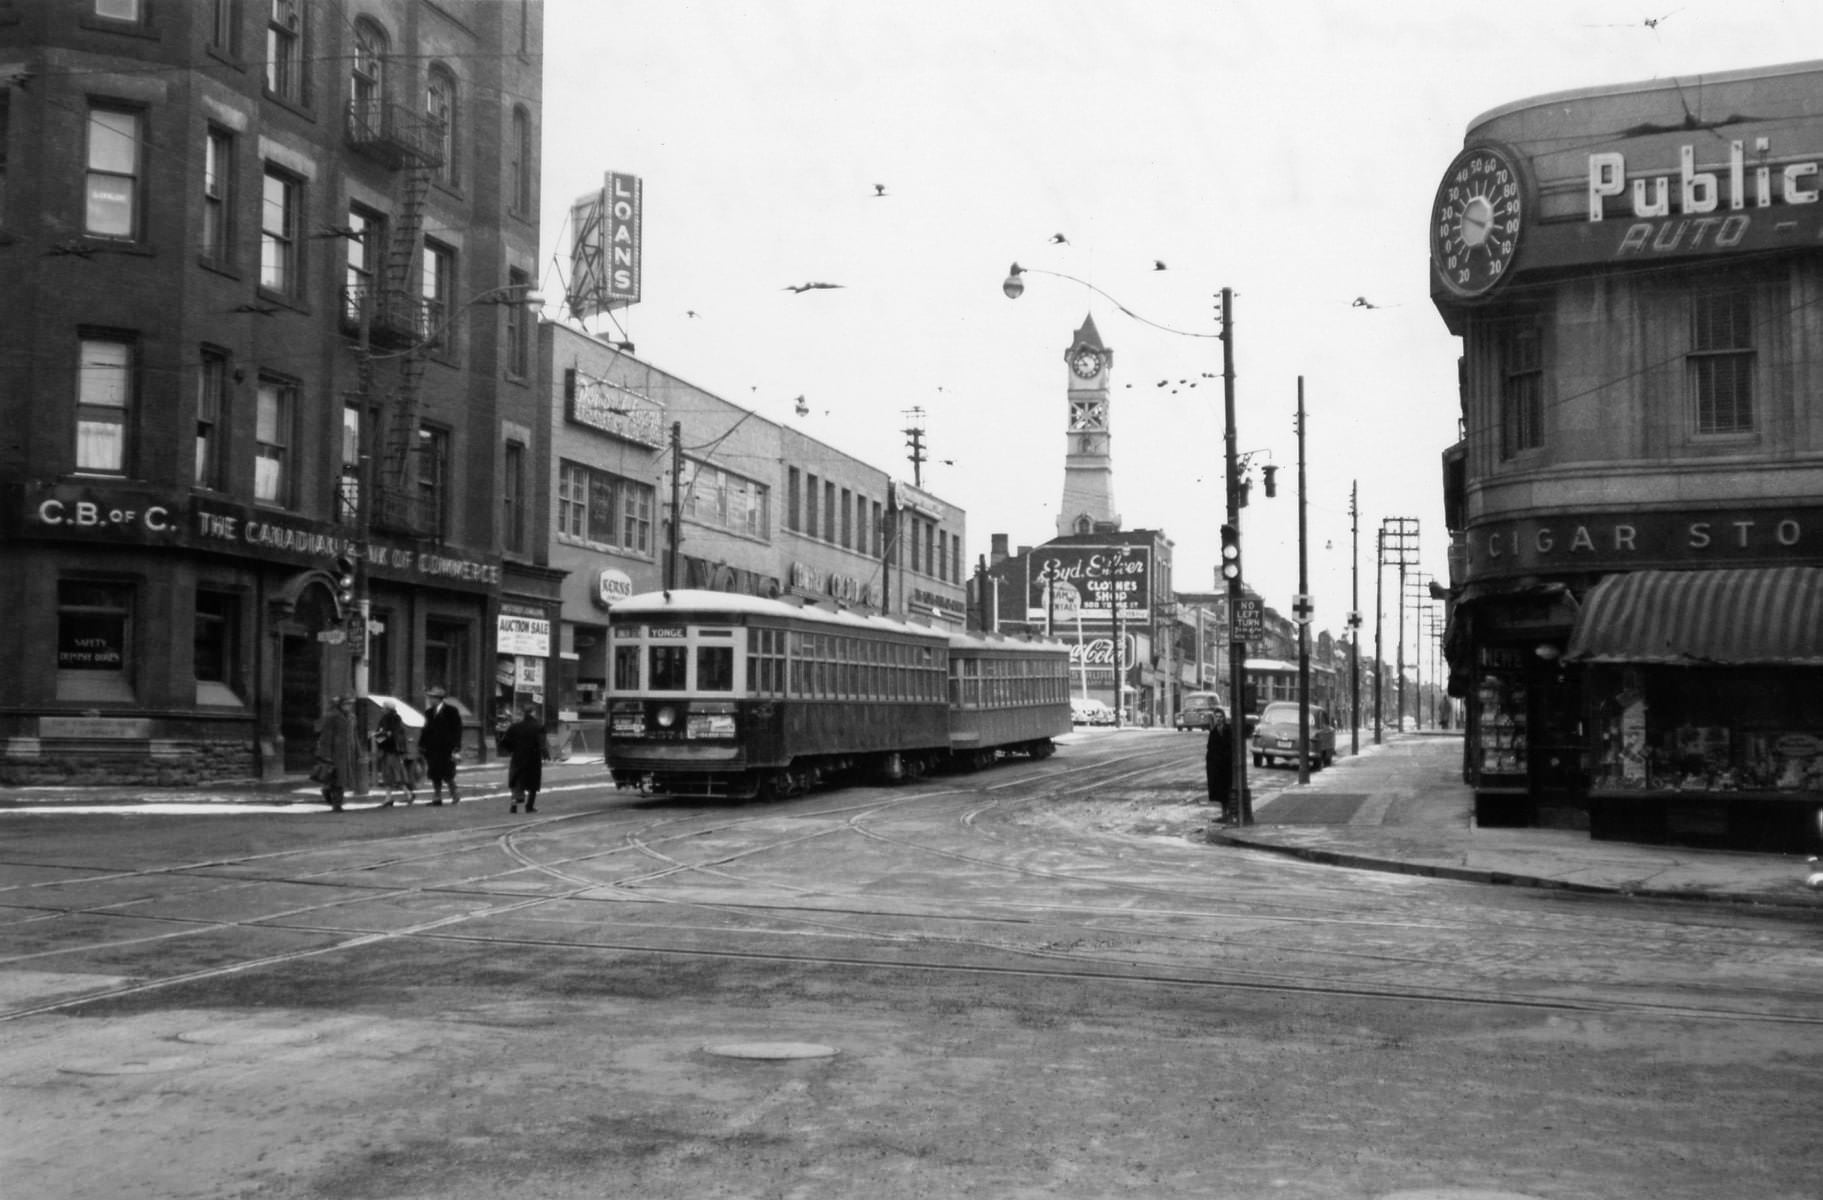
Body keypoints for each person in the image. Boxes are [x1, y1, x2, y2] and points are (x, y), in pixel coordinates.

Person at [499, 704, 551, 813]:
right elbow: (542, 744)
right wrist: (546, 756)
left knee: (516, 780)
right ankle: (529, 806)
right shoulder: (539, 727)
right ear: (533, 713)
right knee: (533, 783)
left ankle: (513, 805)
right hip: (533, 758)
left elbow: (504, 742)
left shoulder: (515, 727)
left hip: (517, 757)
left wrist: (512, 749)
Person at [313, 695, 359, 812]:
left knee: (341, 779)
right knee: (336, 778)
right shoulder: (332, 717)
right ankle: (335, 802)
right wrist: (326, 754)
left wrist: (358, 751)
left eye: (349, 704)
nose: (348, 707)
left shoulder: (352, 717)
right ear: (340, 705)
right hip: (335, 753)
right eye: (346, 704)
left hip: (347, 753)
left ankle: (336, 801)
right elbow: (326, 736)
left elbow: (354, 735)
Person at [420, 686, 464, 805]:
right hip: (432, 748)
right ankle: (437, 797)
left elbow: (457, 730)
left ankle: (454, 793)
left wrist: (456, 747)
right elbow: (426, 730)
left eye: (432, 698)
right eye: (429, 697)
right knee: (434, 773)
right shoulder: (429, 713)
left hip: (447, 748)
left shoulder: (451, 711)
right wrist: (422, 744)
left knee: (447, 773)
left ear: (439, 699)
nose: (430, 700)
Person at [372, 699, 415, 807]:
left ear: (388, 709)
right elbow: (384, 733)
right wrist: (382, 735)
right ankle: (392, 797)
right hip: (388, 750)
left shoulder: (393, 719)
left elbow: (392, 734)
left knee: (394, 773)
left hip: (392, 750)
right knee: (389, 774)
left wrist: (381, 736)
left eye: (383, 707)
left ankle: (406, 794)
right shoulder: (387, 719)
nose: (382, 709)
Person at [1205, 709, 1235, 817]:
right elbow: (1210, 748)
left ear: (1224, 718)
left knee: (1228, 789)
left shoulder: (1228, 730)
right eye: (1216, 717)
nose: (1218, 719)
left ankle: (1229, 811)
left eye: (1220, 716)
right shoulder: (1213, 732)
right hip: (1217, 766)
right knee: (1220, 790)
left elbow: (1231, 746)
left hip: (1227, 764)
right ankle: (1224, 812)